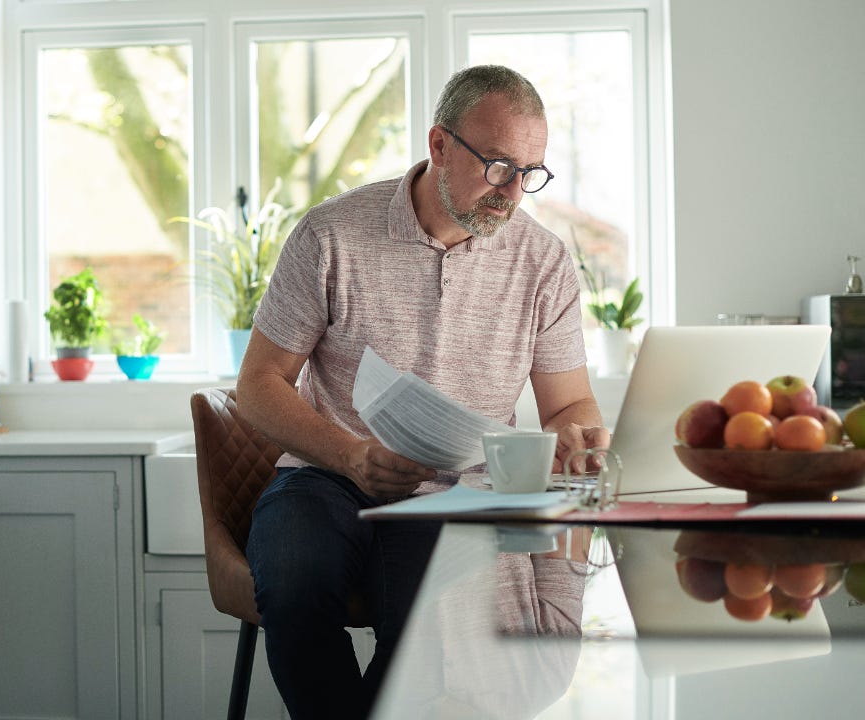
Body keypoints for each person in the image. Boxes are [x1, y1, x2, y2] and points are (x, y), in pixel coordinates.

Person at [235, 64, 610, 719]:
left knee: (433, 627)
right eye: (497, 166)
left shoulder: (544, 261)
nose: (514, 192)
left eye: (531, 172)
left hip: (463, 490)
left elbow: (568, 406)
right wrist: (351, 455)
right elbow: (258, 387)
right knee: (296, 584)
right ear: (439, 146)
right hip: (328, 476)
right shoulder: (330, 236)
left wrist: (579, 436)